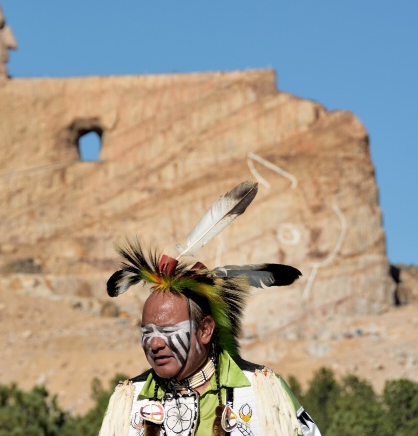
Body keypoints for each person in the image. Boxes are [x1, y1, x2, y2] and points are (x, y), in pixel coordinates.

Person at [99, 182, 321, 436]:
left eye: (168, 329)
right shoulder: (128, 401)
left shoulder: (262, 391)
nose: (154, 343)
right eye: (147, 331)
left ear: (205, 329)